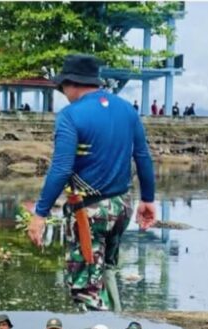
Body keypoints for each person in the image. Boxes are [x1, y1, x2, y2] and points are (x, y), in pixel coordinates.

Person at [28, 54, 156, 310]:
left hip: (89, 212)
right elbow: (142, 156)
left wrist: (40, 213)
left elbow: (61, 168)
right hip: (122, 206)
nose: (63, 92)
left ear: (72, 83)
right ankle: (118, 323)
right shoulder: (127, 111)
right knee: (107, 270)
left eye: (62, 86)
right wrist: (148, 199)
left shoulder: (70, 116)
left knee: (85, 287)